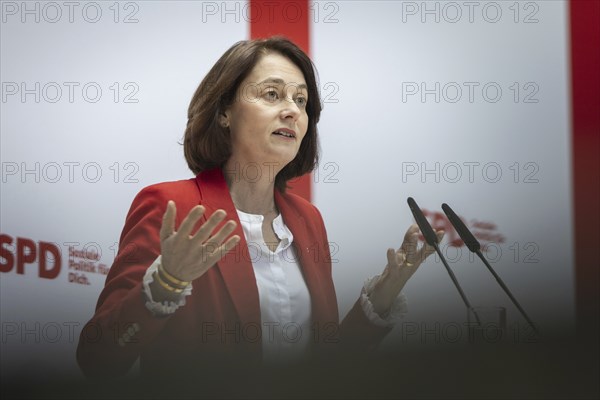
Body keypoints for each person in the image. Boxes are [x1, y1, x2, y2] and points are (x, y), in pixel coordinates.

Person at [76, 37, 443, 381]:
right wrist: (167, 281)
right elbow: (99, 359)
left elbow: (324, 367)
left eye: (301, 101)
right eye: (272, 94)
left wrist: (385, 291)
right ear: (224, 112)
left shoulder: (307, 220)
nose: (292, 112)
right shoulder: (172, 206)